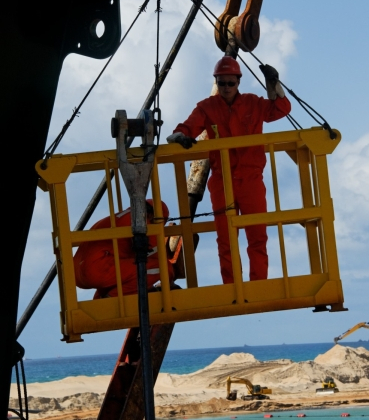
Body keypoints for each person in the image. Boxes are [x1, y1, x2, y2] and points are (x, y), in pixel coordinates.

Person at [166, 56, 291, 284]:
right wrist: (178, 136)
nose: (226, 88)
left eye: (230, 83)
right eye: (221, 83)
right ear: (216, 82)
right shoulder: (207, 107)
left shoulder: (254, 103)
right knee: (226, 239)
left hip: (251, 181)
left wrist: (274, 84)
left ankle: (258, 285)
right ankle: (232, 286)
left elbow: (281, 108)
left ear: (238, 82)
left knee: (257, 237)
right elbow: (186, 127)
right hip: (222, 182)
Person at [74, 199, 175, 298]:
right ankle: (113, 299)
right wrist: (170, 281)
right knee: (163, 267)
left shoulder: (122, 217)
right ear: (153, 216)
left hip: (77, 274)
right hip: (96, 270)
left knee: (124, 271)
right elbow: (159, 258)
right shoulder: (141, 222)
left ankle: (101, 298)